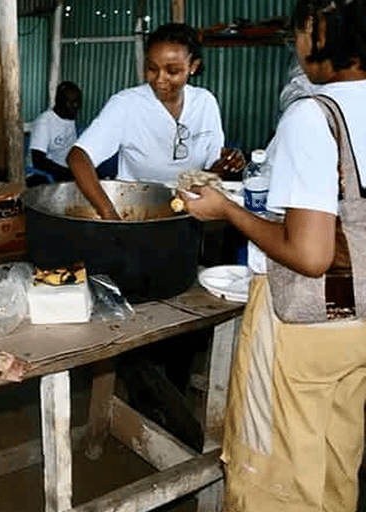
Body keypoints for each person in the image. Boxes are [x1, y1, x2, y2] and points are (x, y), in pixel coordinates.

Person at [179, 0, 366, 510]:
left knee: (275, 475)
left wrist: (226, 211)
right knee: (335, 461)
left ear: (320, 30)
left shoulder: (314, 116)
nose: (297, 42)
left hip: (304, 324)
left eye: (301, 29)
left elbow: (309, 255)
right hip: (360, 329)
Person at [68, 22, 244, 220]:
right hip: (138, 212)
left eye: (173, 71)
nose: (160, 79)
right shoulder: (126, 105)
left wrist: (229, 163)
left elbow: (212, 172)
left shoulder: (205, 103)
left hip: (191, 212)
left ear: (192, 67)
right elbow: (78, 157)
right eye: (152, 68)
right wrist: (109, 213)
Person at [28, 81, 82, 183]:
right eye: (72, 102)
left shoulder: (70, 117)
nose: (76, 106)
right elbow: (38, 161)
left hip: (68, 168)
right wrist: (69, 173)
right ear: (59, 102)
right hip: (46, 172)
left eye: (78, 102)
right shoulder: (44, 123)